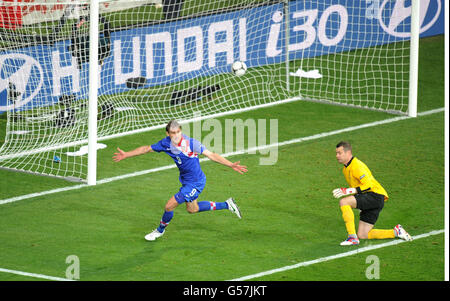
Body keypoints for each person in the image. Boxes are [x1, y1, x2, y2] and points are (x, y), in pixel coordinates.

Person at [113, 120, 247, 241]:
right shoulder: (165, 143)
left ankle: (159, 231)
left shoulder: (191, 144)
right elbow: (146, 149)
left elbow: (211, 155)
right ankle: (227, 204)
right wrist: (127, 154)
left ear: (181, 131)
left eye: (178, 132)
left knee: (169, 206)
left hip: (196, 182)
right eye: (173, 133)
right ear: (168, 134)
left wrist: (230, 164)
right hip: (186, 180)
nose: (176, 135)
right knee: (192, 209)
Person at [332, 141, 413, 246]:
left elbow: (368, 185)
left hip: (375, 195)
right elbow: (357, 186)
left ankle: (352, 237)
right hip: (372, 199)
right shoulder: (346, 169)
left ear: (348, 153)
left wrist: (348, 191)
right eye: (336, 153)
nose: (337, 156)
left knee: (344, 201)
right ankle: (396, 232)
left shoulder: (357, 166)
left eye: (339, 153)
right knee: (363, 234)